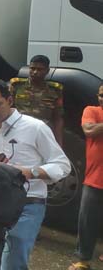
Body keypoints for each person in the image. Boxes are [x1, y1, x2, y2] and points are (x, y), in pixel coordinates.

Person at [0, 78, 70, 269]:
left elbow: (62, 165)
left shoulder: (35, 127)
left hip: (29, 201)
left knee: (13, 258)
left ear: (10, 100)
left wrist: (30, 172)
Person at [68, 84, 103, 270]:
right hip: (95, 178)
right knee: (87, 222)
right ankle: (83, 260)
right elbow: (89, 130)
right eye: (101, 95)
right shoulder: (92, 111)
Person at [9, 55, 64, 146]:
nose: (35, 72)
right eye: (32, 68)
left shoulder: (55, 90)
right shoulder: (17, 85)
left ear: (47, 71)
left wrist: (58, 143)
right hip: (20, 131)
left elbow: (58, 118)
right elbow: (7, 110)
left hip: (43, 133)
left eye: (39, 69)